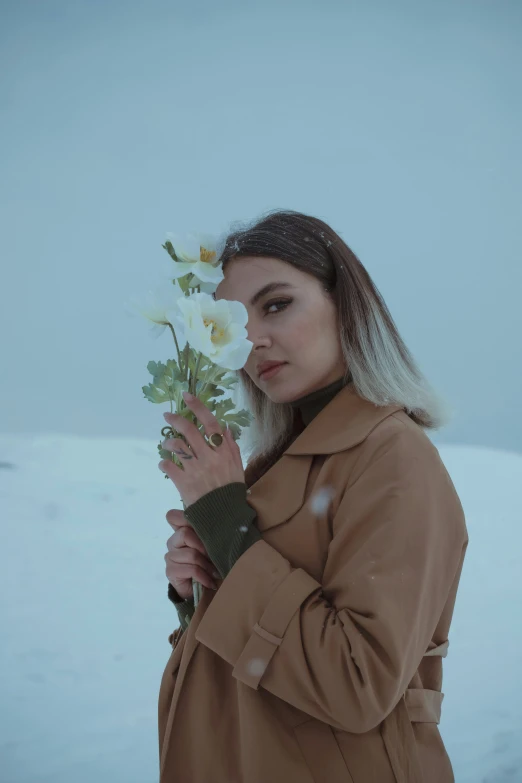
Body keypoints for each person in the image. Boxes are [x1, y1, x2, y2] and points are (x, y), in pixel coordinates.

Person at [157, 209, 468, 783]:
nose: (252, 338)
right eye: (236, 318)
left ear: (345, 302)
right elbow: (259, 659)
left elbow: (356, 684)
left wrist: (227, 522)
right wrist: (201, 584)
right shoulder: (279, 463)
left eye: (276, 304)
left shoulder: (392, 457)